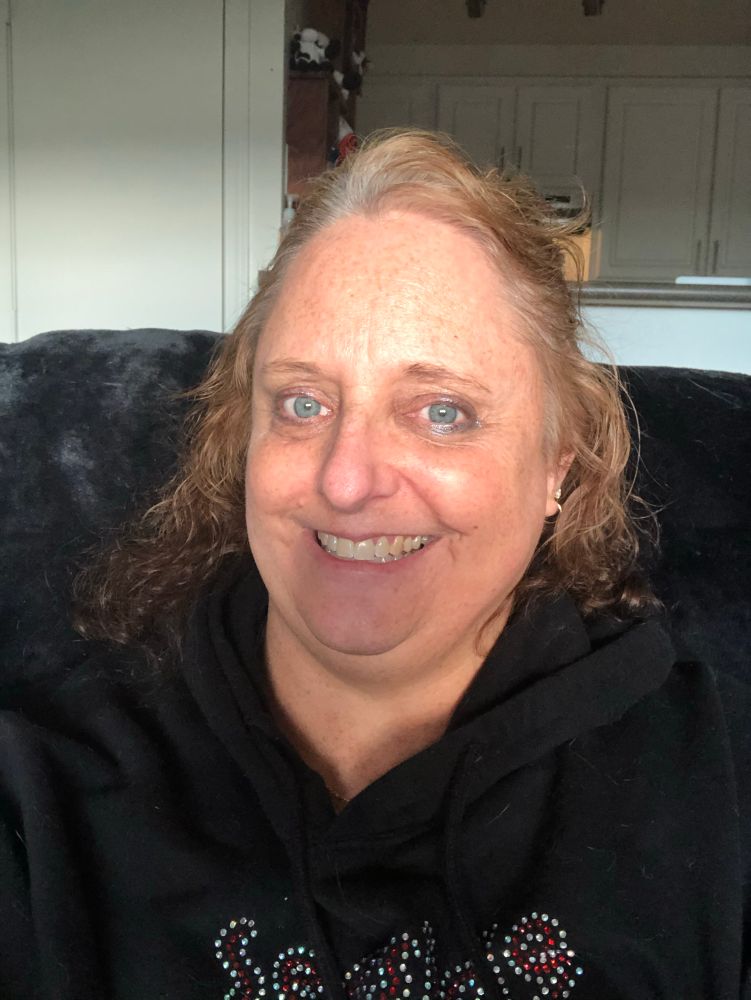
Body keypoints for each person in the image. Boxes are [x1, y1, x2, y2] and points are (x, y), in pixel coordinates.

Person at [0, 129, 748, 1000]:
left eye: (441, 412)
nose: (346, 481)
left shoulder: (718, 788)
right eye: (303, 404)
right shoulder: (48, 793)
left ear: (558, 465)